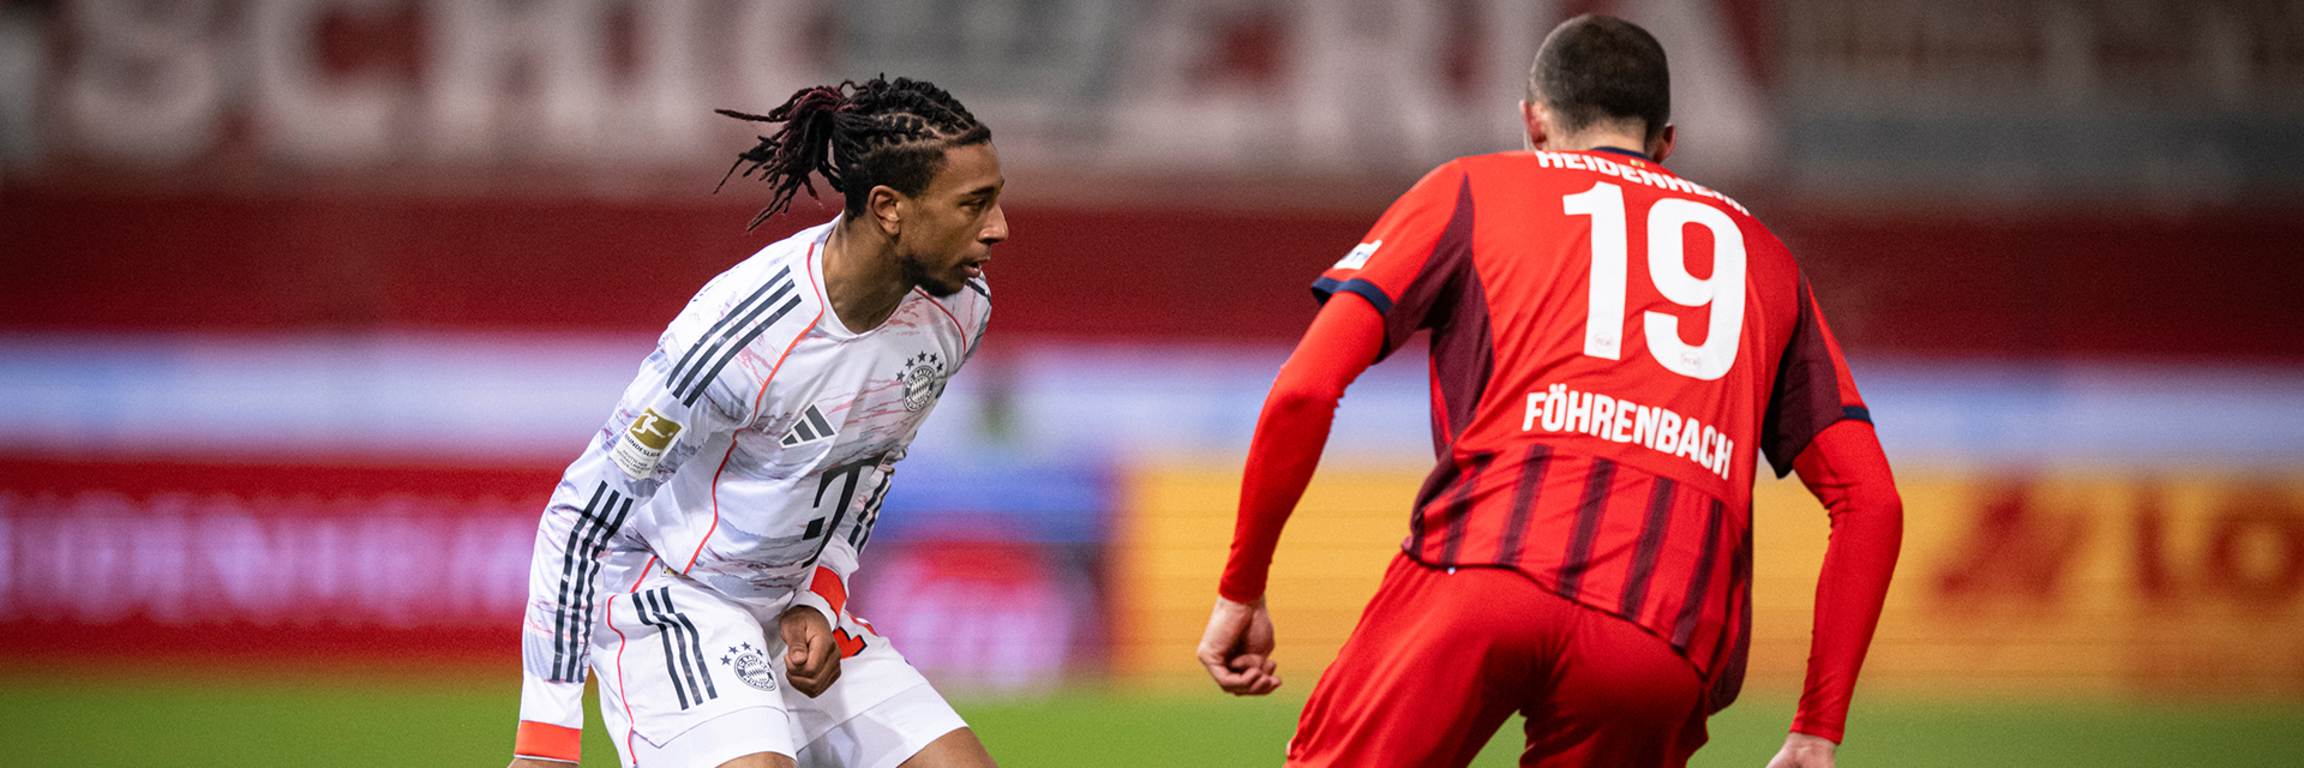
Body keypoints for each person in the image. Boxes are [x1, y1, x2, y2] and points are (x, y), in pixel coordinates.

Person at [1196, 15, 1903, 768]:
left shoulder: (1472, 189)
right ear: (1667, 141)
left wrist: (1243, 588)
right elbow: (1872, 503)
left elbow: (1305, 390)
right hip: (1661, 635)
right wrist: (1817, 729)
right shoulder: (1766, 261)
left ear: (1532, 121)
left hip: (1482, 572)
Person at [507, 76, 1005, 768]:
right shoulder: (739, 338)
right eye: (974, 204)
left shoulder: (959, 311)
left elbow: (870, 468)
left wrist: (822, 598)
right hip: (676, 593)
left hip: (790, 605)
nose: (998, 227)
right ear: (889, 208)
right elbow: (581, 514)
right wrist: (547, 741)